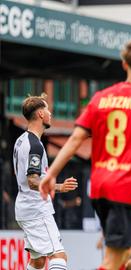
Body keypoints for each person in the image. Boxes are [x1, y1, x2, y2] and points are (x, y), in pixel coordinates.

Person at [39, 40, 131, 270]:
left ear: (123, 64)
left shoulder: (101, 98)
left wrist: (51, 173)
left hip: (100, 187)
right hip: (126, 188)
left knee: (124, 252)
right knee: (113, 259)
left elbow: (75, 139)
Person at [13, 95, 78, 270]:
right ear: (41, 114)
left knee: (38, 261)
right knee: (59, 256)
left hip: (25, 207)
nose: (51, 113)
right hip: (36, 210)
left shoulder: (20, 141)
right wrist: (59, 187)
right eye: (48, 110)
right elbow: (33, 180)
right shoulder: (35, 145)